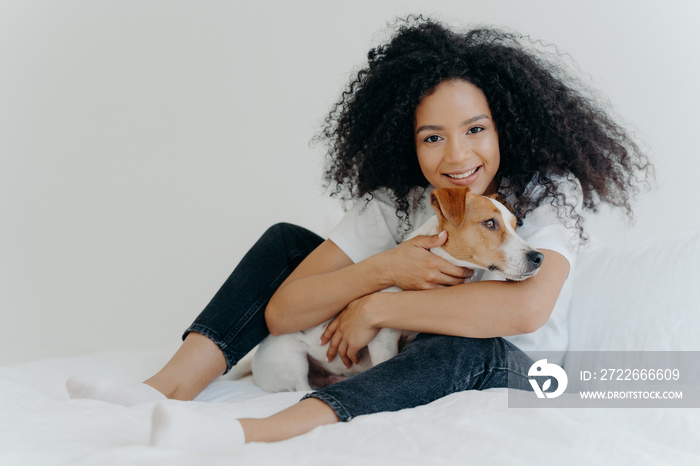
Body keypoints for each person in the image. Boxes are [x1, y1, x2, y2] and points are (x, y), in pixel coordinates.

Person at [66, 17, 652, 450]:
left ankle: (261, 432)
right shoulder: (393, 204)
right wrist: (386, 271)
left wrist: (376, 309)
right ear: (406, 139)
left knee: (460, 344)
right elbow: (284, 310)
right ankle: (165, 388)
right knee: (286, 242)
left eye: (475, 128)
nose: (457, 155)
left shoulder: (547, 192)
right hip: (413, 348)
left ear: (506, 126)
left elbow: (526, 310)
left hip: (528, 373)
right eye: (431, 136)